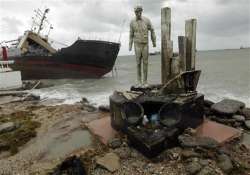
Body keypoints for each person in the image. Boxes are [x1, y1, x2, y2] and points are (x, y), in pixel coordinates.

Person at [129, 5, 156, 87]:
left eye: (139, 11)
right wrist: (130, 45)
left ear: (141, 11)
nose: (137, 13)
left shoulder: (147, 20)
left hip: (145, 44)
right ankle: (139, 81)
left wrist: (154, 41)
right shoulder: (132, 22)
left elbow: (152, 30)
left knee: (145, 63)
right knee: (138, 63)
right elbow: (131, 34)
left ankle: (145, 81)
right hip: (137, 44)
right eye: (136, 12)